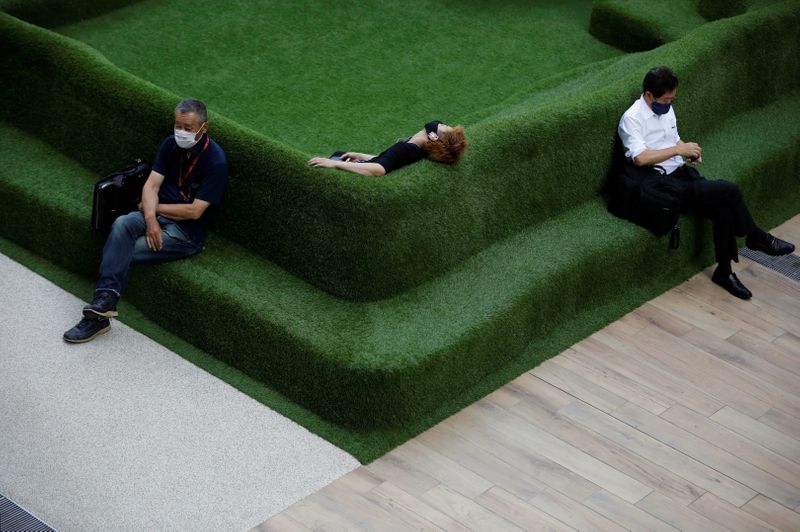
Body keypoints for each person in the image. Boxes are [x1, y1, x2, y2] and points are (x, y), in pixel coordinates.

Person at [618, 67, 794, 300]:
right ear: (649, 95)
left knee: (723, 211)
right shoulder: (631, 119)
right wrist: (679, 149)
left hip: (680, 174)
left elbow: (672, 139)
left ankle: (724, 271)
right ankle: (755, 236)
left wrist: (687, 150)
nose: (669, 103)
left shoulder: (666, 110)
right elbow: (640, 158)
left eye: (673, 99)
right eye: (666, 99)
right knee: (728, 189)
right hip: (659, 186)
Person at [63, 98, 229, 342]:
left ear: (203, 129)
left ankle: (97, 317)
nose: (180, 132)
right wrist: (150, 218)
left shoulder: (216, 162)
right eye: (178, 126)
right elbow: (151, 185)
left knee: (120, 251)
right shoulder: (170, 145)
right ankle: (104, 303)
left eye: (187, 128)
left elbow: (194, 211)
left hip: (185, 234)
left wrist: (154, 208)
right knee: (121, 224)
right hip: (155, 216)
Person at [307, 120, 467, 176]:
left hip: (366, 172)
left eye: (445, 127)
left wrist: (335, 164)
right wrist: (361, 155)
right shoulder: (417, 150)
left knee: (334, 158)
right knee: (341, 153)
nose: (443, 123)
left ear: (434, 137)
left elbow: (380, 169)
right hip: (369, 163)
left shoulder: (408, 149)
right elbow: (389, 159)